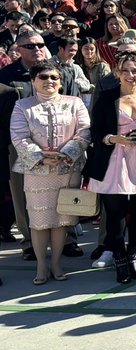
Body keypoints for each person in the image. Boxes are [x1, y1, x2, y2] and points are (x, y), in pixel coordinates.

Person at [85, 53, 136, 282]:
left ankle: (133, 260)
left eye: (135, 71)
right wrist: (114, 139)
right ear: (117, 73)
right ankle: (120, 261)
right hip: (113, 160)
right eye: (126, 71)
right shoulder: (106, 97)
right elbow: (96, 131)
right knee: (115, 215)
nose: (131, 75)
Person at [10, 60, 90, 285]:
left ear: (61, 82)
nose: (49, 81)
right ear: (33, 81)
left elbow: (84, 132)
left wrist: (65, 154)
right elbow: (18, 136)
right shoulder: (22, 106)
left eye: (54, 77)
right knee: (39, 221)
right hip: (36, 170)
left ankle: (56, 262)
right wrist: (41, 157)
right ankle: (41, 265)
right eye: (43, 77)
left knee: (62, 220)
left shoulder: (75, 103)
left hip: (68, 168)